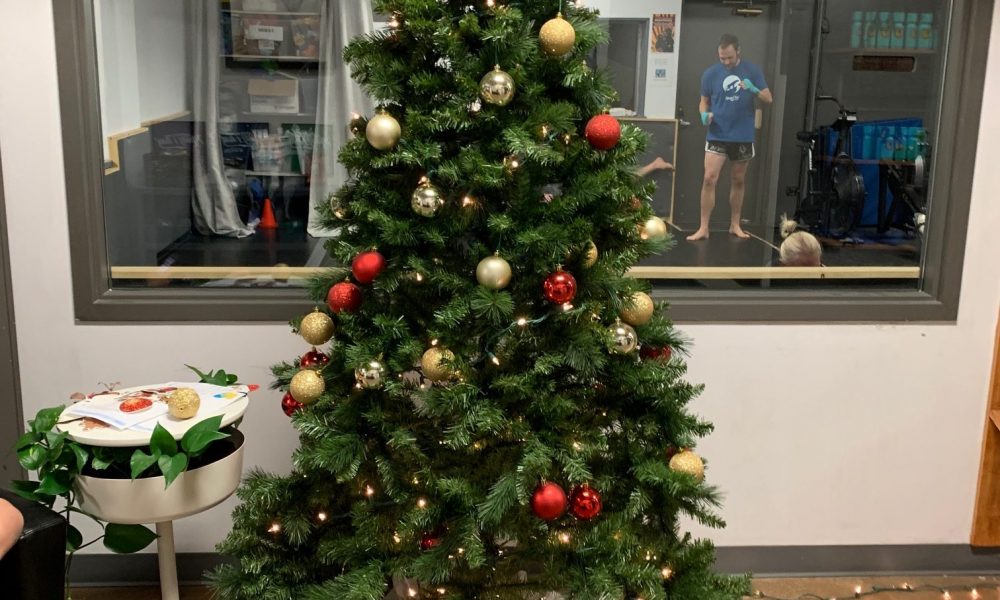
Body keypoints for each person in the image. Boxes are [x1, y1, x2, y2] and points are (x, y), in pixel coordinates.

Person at [687, 33, 773, 241]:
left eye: (729, 58)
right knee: (709, 178)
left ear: (738, 52)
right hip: (717, 132)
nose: (725, 62)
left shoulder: (752, 70)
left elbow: (768, 98)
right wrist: (703, 114)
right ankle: (703, 227)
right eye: (722, 58)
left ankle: (735, 224)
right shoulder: (710, 74)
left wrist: (753, 89)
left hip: (742, 135)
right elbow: (703, 101)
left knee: (738, 179)